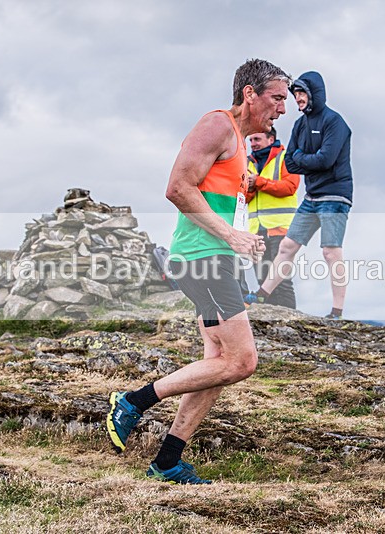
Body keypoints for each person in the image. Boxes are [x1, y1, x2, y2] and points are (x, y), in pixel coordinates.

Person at [105, 58, 290, 484]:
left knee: (218, 362)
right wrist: (230, 235)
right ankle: (132, 401)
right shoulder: (217, 125)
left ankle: (168, 460)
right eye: (277, 98)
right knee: (242, 361)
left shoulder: (241, 143)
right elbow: (177, 188)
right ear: (250, 93)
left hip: (217, 259)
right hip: (202, 261)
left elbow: (213, 199)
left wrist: (242, 238)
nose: (283, 108)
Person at [246, 71, 353, 319]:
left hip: (335, 195)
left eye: (302, 93)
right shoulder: (300, 124)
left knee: (330, 251)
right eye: (296, 95)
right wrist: (309, 162)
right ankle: (261, 294)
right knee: (288, 246)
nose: (298, 99)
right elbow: (292, 162)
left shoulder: (334, 122)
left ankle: (337, 311)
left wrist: (305, 161)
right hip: (313, 196)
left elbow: (326, 160)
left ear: (315, 93)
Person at [244, 127, 300, 309]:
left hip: (281, 228)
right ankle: (270, 324)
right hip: (256, 231)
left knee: (281, 282)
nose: (253, 144)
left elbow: (290, 186)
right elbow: (242, 197)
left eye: (257, 139)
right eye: (251, 140)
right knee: (262, 280)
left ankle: (289, 326)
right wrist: (251, 188)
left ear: (271, 139)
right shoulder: (246, 163)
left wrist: (258, 182)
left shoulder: (286, 157)